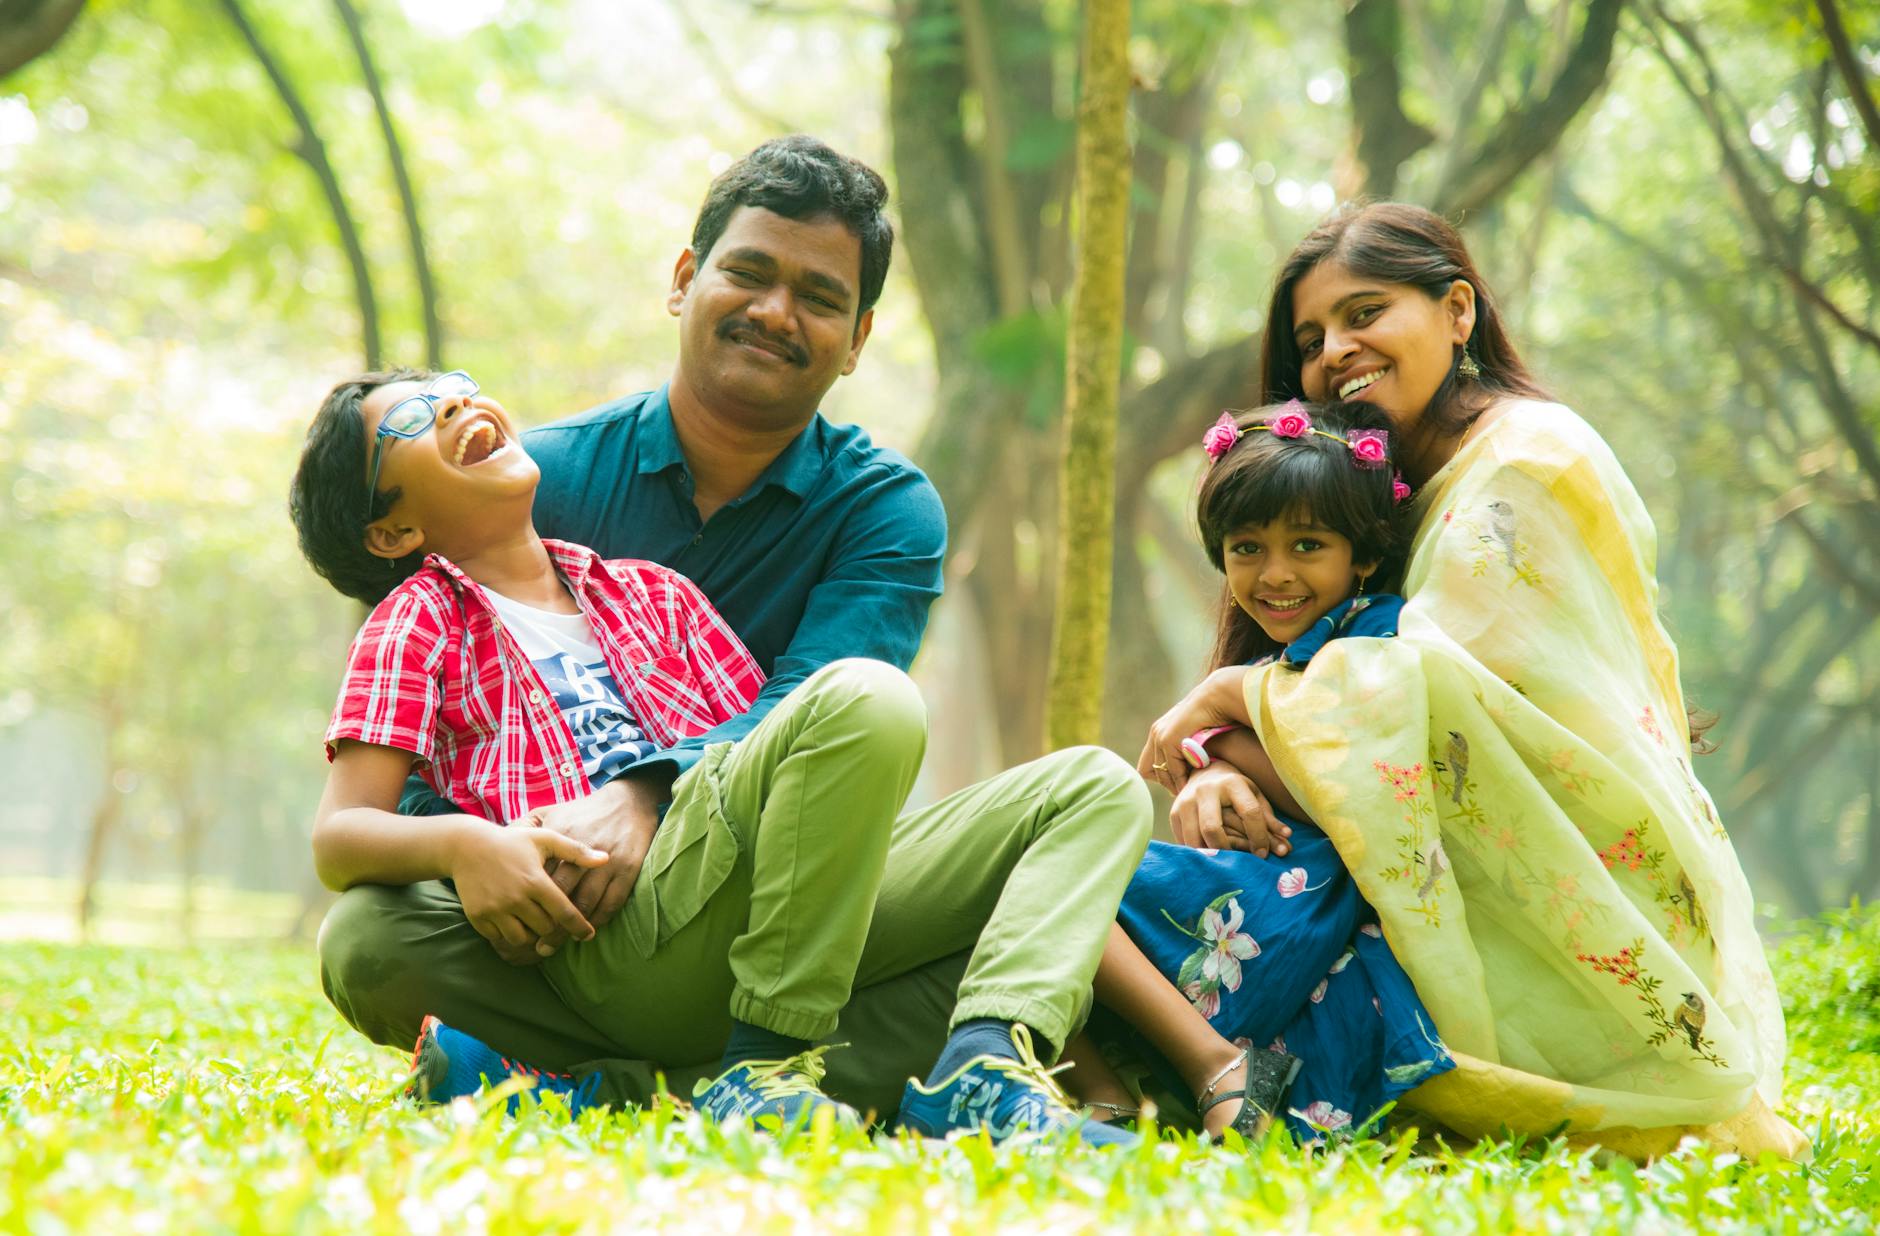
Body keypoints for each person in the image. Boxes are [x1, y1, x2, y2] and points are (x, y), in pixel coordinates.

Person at [307, 133, 1154, 1135]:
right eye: (749, 273)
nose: (775, 312)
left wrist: (646, 790)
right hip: (570, 922)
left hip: (778, 889)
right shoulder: (535, 483)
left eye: (819, 296)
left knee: (1092, 785)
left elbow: (807, 719)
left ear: (857, 338)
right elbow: (397, 776)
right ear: (684, 280)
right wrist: (482, 850)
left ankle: (965, 1063)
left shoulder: (831, 528)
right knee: (366, 937)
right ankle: (751, 1074)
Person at [1135, 202, 1807, 1159]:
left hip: (1580, 889)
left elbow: (1441, 720)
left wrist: (1229, 704)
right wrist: (1214, 767)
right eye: (1311, 340)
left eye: (1364, 313)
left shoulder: (1526, 463)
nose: (1335, 351)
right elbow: (1341, 703)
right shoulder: (1371, 489)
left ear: (1458, 311)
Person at [1056, 399, 1454, 1143]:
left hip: (1304, 901)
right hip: (1269, 891)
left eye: (1307, 545)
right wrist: (1214, 758)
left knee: (1059, 884)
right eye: (1247, 547)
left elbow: (1346, 786)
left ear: (1364, 555)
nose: (1275, 574)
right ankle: (1107, 1100)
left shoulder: (1376, 641)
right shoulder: (1281, 658)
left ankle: (1206, 1076)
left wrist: (1221, 742)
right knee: (1040, 882)